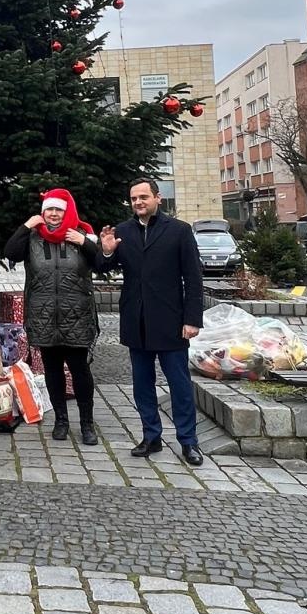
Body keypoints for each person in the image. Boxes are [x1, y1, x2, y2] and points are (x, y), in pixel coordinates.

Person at [98, 177, 205, 466]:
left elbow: (193, 279)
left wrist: (192, 319)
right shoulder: (122, 231)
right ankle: (151, 436)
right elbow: (103, 267)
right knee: (142, 384)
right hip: (137, 320)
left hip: (171, 322)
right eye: (134, 199)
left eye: (144, 197)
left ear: (158, 198)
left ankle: (189, 442)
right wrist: (107, 250)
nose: (138, 203)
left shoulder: (179, 231)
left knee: (179, 385)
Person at [5, 188, 100, 445]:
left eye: (59, 209)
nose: (54, 214)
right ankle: (61, 420)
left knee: (81, 370)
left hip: (77, 315)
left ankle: (87, 424)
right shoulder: (34, 237)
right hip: (43, 315)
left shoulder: (81, 235)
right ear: (43, 211)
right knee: (52, 370)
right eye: (50, 209)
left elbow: (101, 262)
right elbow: (11, 252)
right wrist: (27, 226)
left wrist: (85, 243)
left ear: (67, 211)